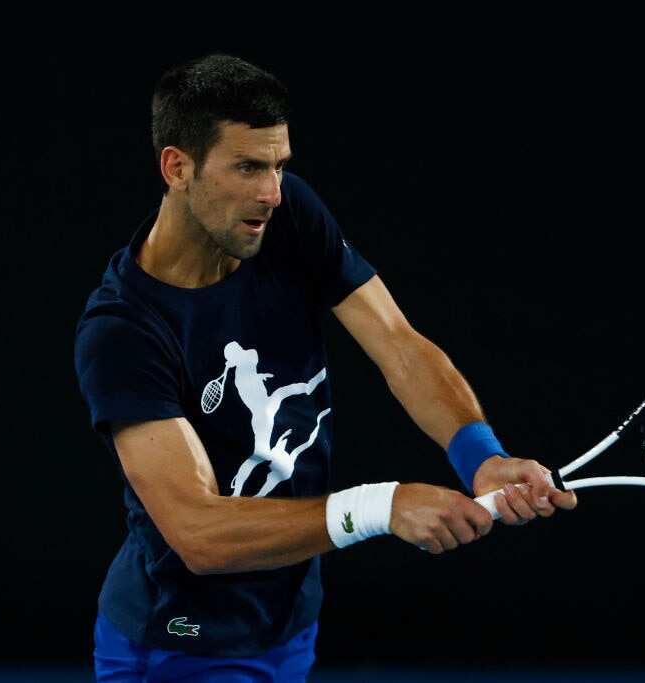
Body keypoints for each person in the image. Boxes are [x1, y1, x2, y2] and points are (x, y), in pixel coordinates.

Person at [74, 53, 576, 682]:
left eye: (280, 165)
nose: (273, 192)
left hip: (289, 614)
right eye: (248, 167)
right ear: (177, 167)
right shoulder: (122, 332)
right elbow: (198, 533)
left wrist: (481, 456)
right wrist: (381, 506)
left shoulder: (283, 218)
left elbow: (396, 341)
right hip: (180, 645)